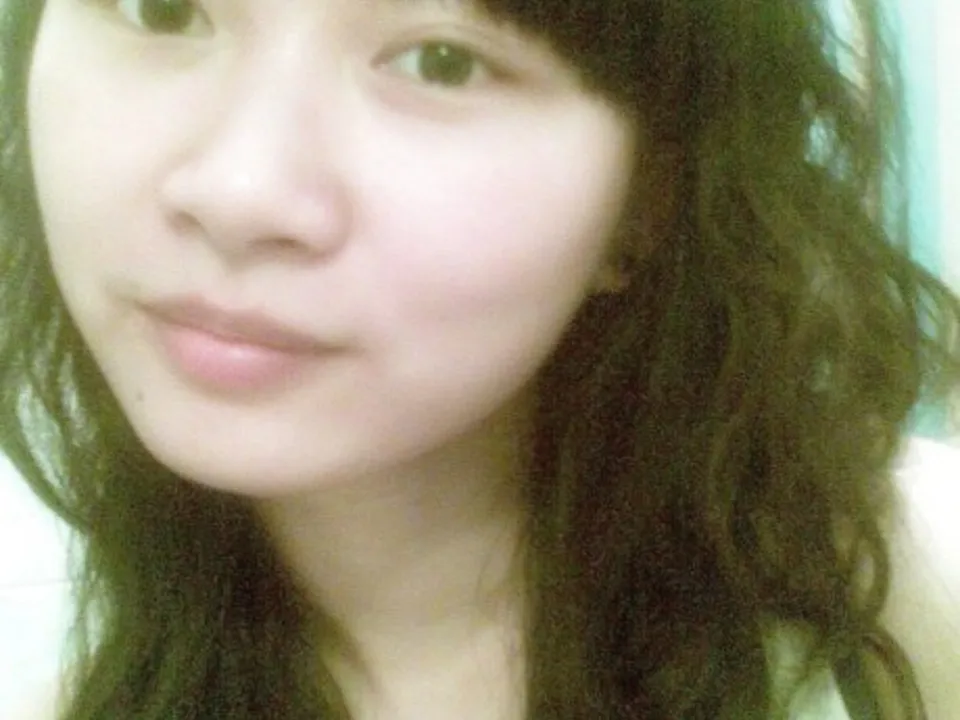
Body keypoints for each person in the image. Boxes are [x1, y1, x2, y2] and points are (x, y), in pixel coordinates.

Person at [1, 0, 959, 718]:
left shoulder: (907, 599)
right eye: (162, 9)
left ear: (649, 197)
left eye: (444, 61)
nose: (238, 191)